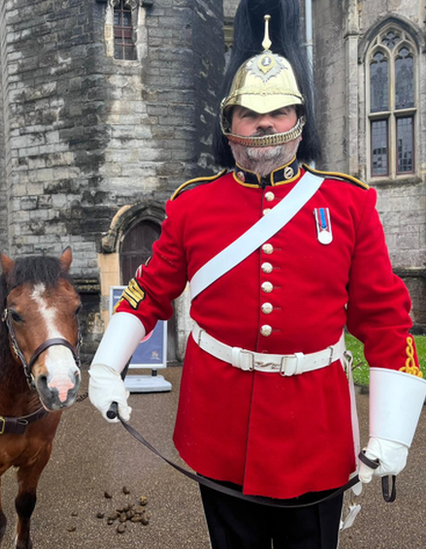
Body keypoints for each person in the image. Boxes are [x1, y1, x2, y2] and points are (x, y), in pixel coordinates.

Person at [88, 1, 426, 547]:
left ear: (299, 119)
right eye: (248, 112)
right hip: (218, 428)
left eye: (278, 111)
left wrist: (391, 430)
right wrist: (107, 365)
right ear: (229, 124)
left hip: (314, 434)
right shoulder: (193, 206)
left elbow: (386, 320)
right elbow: (148, 292)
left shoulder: (347, 203)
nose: (264, 123)